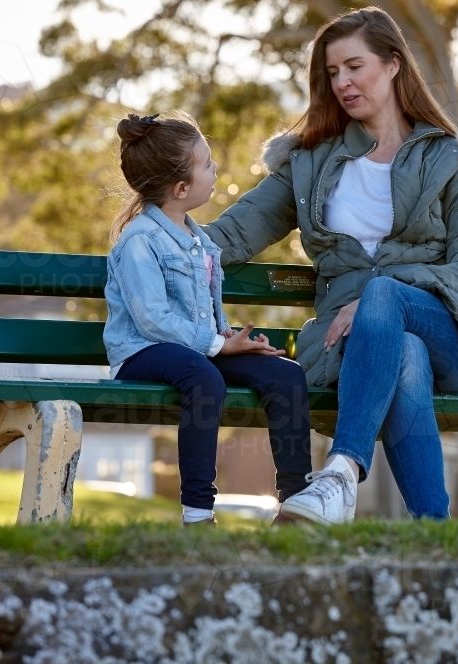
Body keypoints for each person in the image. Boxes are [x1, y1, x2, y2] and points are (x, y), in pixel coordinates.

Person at [204, 8, 458, 525]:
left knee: (387, 298)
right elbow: (230, 235)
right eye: (331, 73)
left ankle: (341, 473)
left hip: (453, 339)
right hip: (350, 348)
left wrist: (377, 294)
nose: (342, 82)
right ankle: (432, 531)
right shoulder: (309, 163)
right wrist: (157, 239)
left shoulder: (452, 160)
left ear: (393, 65)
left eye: (354, 66)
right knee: (402, 351)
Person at [103, 111, 312, 526]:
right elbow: (153, 320)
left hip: (196, 350)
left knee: (285, 375)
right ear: (181, 188)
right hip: (143, 352)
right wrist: (217, 346)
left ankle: (297, 505)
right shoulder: (139, 241)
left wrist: (233, 339)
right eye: (207, 164)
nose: (215, 170)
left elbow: (203, 311)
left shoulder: (200, 241)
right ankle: (198, 513)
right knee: (204, 377)